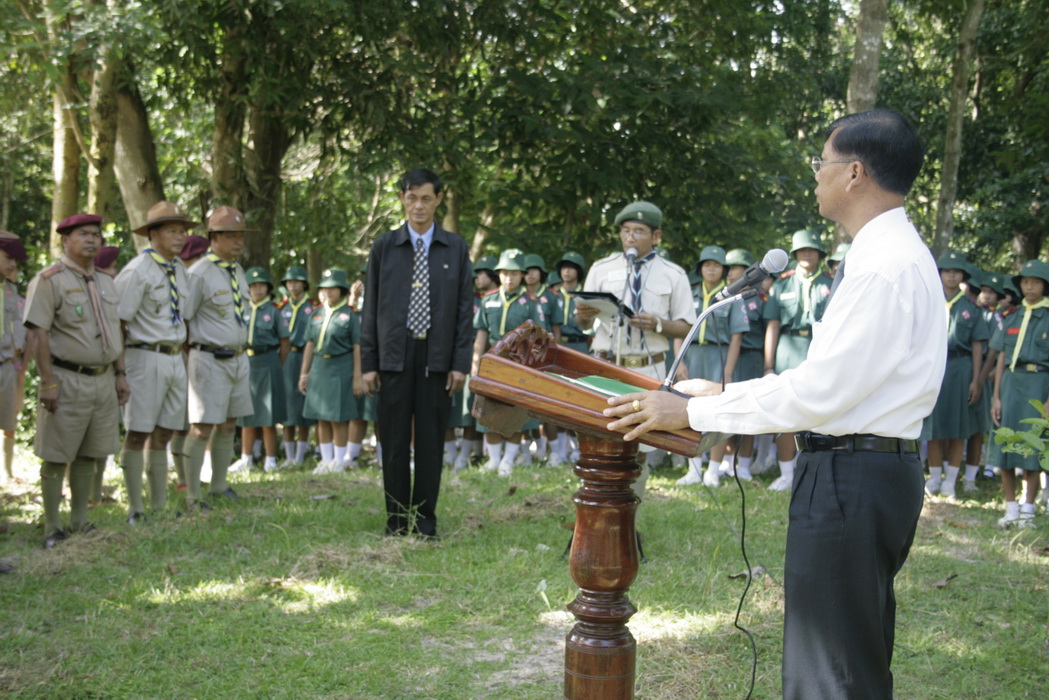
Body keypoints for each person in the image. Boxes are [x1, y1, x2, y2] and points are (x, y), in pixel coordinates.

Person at [604, 109, 943, 699]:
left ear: (855, 173)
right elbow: (830, 382)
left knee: (830, 671)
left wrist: (692, 412)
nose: (816, 175)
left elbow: (820, 394)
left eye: (821, 162)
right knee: (847, 658)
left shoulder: (884, 268)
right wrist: (724, 393)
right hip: (862, 469)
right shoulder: (886, 254)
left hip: (851, 475)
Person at [361, 169, 473, 539]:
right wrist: (369, 363)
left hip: (436, 357)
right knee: (393, 442)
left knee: (429, 442)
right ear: (402, 199)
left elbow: (464, 311)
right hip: (394, 354)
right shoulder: (384, 246)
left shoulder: (454, 248)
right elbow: (370, 307)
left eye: (426, 198)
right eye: (412, 198)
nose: (419, 206)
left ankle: (425, 521)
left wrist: (459, 363)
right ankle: (396, 520)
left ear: (438, 199)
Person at [575, 201, 695, 497]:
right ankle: (597, 505)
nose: (630, 237)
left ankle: (631, 507)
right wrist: (584, 316)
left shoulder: (673, 273)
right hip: (606, 365)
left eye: (639, 231)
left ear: (656, 236)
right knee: (599, 438)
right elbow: (582, 322)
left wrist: (658, 324)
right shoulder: (602, 268)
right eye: (625, 231)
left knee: (639, 443)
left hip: (647, 367)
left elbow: (687, 326)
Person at [24, 214, 130, 548]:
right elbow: (39, 333)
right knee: (57, 453)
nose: (91, 240)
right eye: (83, 234)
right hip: (66, 378)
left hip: (102, 379)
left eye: (96, 234)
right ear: (65, 240)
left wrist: (120, 374)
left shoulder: (106, 281)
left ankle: (80, 521)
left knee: (90, 453)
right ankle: (52, 526)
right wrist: (47, 382)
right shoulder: (49, 280)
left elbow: (115, 331)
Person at [114, 201, 196, 523]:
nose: (179, 237)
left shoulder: (179, 269)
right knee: (137, 431)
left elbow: (183, 316)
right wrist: (120, 372)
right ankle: (135, 508)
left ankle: (159, 506)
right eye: (172, 231)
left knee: (164, 432)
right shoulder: (137, 271)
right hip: (144, 356)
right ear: (153, 234)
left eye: (182, 231)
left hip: (174, 356)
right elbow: (119, 323)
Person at [181, 205, 255, 512]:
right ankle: (192, 494)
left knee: (229, 422)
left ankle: (219, 486)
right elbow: (183, 319)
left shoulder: (237, 271)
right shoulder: (198, 273)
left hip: (237, 358)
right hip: (209, 357)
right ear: (214, 237)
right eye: (232, 235)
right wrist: (191, 359)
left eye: (241, 235)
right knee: (201, 427)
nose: (239, 241)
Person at [762, 228, 833, 491]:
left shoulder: (830, 284)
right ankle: (786, 474)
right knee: (785, 411)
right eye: (802, 250)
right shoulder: (782, 284)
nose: (807, 254)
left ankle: (816, 471)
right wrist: (769, 365)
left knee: (820, 412)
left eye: (812, 250)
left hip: (819, 350)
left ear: (820, 254)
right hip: (787, 349)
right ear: (794, 254)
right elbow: (772, 325)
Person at [470, 249, 544, 475]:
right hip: (493, 362)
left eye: (514, 273)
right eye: (504, 273)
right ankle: (494, 459)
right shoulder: (489, 300)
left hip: (520, 363)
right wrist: (476, 364)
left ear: (522, 275)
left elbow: (537, 338)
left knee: (516, 411)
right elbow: (481, 335)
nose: (509, 278)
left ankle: (508, 460)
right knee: (489, 408)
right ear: (499, 274)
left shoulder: (530, 303)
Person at [990, 259, 1049, 528]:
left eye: (1035, 282)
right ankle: (1010, 507)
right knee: (1005, 443)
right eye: (1025, 281)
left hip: (1038, 383)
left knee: (1033, 447)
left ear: (1044, 286)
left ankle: (1028, 508)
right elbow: (1002, 357)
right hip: (1011, 384)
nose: (1029, 287)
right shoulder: (1011, 316)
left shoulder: (1047, 316)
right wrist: (996, 397)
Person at [923, 251, 987, 499]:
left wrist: (976, 380)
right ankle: (934, 478)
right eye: (947, 271)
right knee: (934, 426)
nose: (951, 276)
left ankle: (951, 480)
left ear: (963, 276)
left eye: (956, 271)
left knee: (958, 427)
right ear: (939, 274)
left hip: (960, 367)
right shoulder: (930, 301)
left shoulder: (971, 307)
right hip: (934, 366)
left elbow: (978, 346)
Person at [300, 268, 361, 473]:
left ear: (342, 290)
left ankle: (339, 460)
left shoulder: (349, 315)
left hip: (341, 367)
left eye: (333, 288)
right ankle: (326, 460)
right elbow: (309, 344)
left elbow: (357, 347)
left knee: (338, 416)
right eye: (325, 288)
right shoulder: (316, 314)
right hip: (319, 367)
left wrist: (357, 376)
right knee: (321, 415)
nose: (328, 292)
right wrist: (304, 374)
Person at [231, 267, 289, 473]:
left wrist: (276, 364)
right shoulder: (242, 309)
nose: (257, 289)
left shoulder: (274, 311)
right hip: (246, 362)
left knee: (268, 416)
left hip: (268, 361)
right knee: (246, 414)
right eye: (253, 286)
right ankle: (246, 458)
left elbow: (284, 342)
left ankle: (270, 459)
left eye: (261, 285)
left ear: (268, 288)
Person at [277, 265, 316, 467]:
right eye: (289, 282)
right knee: (287, 407)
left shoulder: (313, 307)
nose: (292, 286)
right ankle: (289, 456)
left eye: (297, 282)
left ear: (304, 284)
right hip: (286, 358)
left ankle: (301, 455)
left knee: (303, 407)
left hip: (304, 357)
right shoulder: (281, 308)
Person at [0, 231, 28, 486]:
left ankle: (6, 473)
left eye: (16, 261)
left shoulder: (10, 290)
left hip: (7, 365)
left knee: (8, 419)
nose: (12, 265)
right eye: (8, 257)